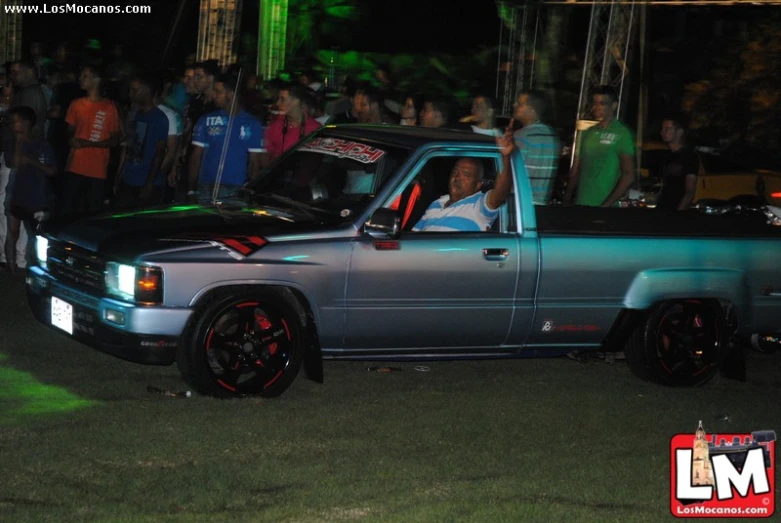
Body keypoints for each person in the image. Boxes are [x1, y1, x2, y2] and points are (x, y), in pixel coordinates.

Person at [412, 126, 515, 232]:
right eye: (455, 171)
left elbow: (500, 194)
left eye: (465, 174)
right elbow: (413, 239)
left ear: (478, 185)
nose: (457, 177)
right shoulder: (436, 203)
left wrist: (505, 157)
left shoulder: (477, 206)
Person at [188, 74, 265, 202]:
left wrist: (250, 189)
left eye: (218, 92)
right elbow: (196, 156)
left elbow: (254, 162)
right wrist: (191, 189)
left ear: (230, 94)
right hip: (206, 185)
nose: (214, 95)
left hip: (235, 188)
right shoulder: (206, 119)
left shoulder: (252, 123)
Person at [61, 65, 120, 217]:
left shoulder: (109, 107)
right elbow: (69, 129)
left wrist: (89, 143)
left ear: (97, 80)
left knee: (92, 213)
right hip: (75, 165)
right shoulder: (76, 104)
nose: (81, 78)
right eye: (81, 75)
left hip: (97, 169)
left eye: (85, 76)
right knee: (67, 209)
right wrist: (71, 139)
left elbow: (115, 139)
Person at [3, 106, 56, 274]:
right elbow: (14, 164)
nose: (12, 125)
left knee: (37, 237)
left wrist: (33, 162)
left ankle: (36, 270)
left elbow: (53, 170)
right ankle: (12, 271)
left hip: (37, 199)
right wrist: (19, 142)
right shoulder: (12, 144)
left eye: (15, 121)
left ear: (26, 123)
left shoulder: (42, 144)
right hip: (16, 196)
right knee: (12, 233)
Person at [563, 85, 635, 207]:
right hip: (581, 203)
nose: (596, 107)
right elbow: (575, 170)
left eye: (602, 104)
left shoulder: (622, 134)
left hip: (604, 207)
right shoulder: (587, 133)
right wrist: (566, 199)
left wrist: (606, 205)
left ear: (613, 105)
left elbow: (629, 175)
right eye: (594, 103)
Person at [114, 74, 170, 208]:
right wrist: (118, 178)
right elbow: (128, 149)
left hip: (146, 181)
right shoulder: (135, 114)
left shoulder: (159, 118)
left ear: (147, 91)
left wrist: (149, 183)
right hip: (129, 178)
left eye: (134, 90)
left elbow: (160, 152)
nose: (130, 94)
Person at [513, 90, 561, 205]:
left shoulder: (521, 136)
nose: (514, 105)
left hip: (521, 202)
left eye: (520, 104)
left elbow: (511, 171)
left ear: (532, 110)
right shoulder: (551, 134)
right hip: (542, 203)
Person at [263, 85, 321, 163]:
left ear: (296, 101)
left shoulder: (315, 128)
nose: (278, 103)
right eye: (278, 99)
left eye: (282, 99)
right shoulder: (274, 126)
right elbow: (265, 158)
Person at [655, 114, 699, 210]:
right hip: (662, 207)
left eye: (667, 128)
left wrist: (679, 212)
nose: (662, 132)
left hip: (676, 208)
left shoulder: (689, 156)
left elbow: (690, 191)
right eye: (662, 128)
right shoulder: (666, 155)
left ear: (679, 131)